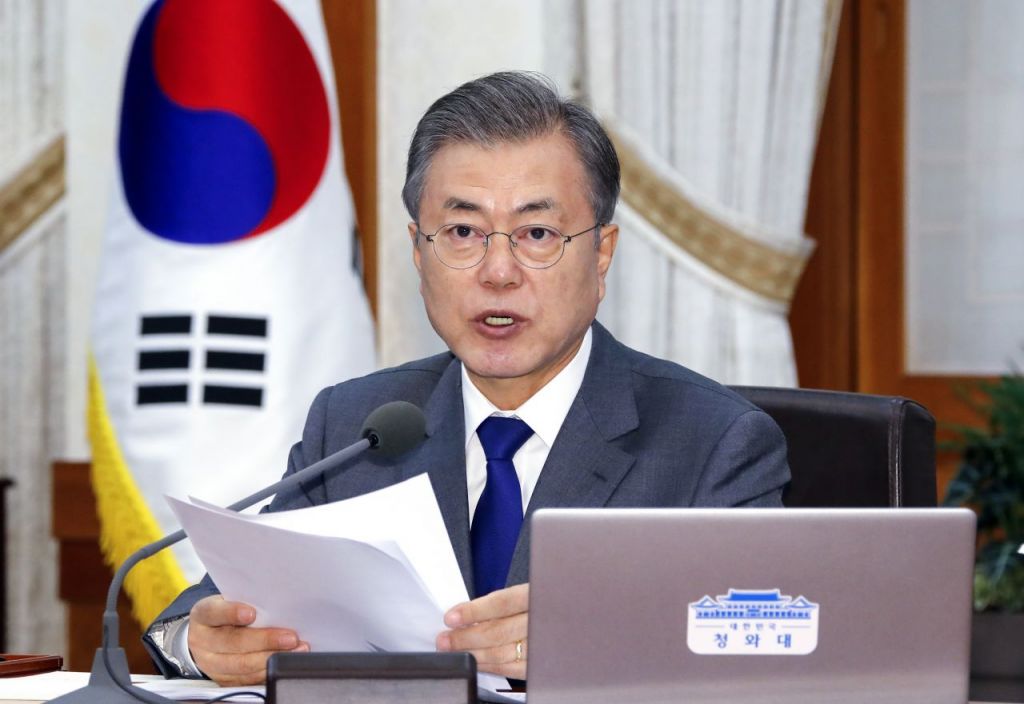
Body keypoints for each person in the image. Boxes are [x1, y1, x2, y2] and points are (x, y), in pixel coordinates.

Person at [144, 70, 790, 686]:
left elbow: (764, 653)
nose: (498, 271)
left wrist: (596, 640)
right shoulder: (357, 427)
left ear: (601, 254)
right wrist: (195, 643)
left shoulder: (712, 442)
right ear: (418, 251)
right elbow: (212, 609)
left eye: (537, 233)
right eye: (462, 231)